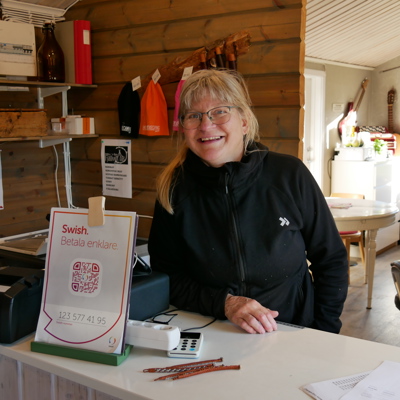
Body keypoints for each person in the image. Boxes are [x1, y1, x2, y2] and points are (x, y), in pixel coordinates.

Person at [148, 69, 348, 334]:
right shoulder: (173, 189)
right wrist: (225, 303)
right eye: (193, 116)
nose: (206, 126)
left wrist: (324, 331)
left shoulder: (289, 175)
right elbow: (167, 277)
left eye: (219, 112)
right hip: (214, 332)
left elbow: (330, 259)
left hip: (294, 330)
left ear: (244, 121)